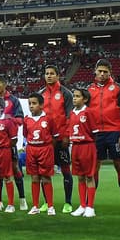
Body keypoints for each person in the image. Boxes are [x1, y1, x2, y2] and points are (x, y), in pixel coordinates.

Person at [88, 60, 120, 214]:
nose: (102, 74)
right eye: (99, 71)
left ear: (110, 72)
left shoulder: (119, 89)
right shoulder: (89, 89)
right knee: (94, 168)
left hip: (114, 132)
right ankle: (90, 205)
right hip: (96, 133)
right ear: (95, 71)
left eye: (105, 72)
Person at [37, 64, 75, 213]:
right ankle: (47, 202)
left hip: (61, 140)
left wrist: (66, 136)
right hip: (46, 141)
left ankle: (68, 202)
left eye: (52, 73)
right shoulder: (41, 94)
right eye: (47, 73)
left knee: (66, 170)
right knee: (44, 172)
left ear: (58, 76)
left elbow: (69, 116)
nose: (49, 76)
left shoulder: (66, 94)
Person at [0, 78, 26, 209]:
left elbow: (20, 119)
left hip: (7, 140)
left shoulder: (13, 100)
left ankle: (21, 199)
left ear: (4, 85)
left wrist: (8, 121)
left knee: (14, 169)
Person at [22, 93, 56, 215]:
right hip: (31, 149)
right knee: (34, 178)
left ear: (41, 105)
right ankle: (35, 206)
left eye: (34, 103)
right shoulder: (27, 119)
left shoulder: (48, 118)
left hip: (45, 149)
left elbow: (54, 135)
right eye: (30, 103)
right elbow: (26, 134)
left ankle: (50, 206)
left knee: (46, 178)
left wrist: (47, 146)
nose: (31, 106)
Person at [67, 88, 97, 218]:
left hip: (87, 146)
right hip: (75, 147)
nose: (74, 98)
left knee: (89, 177)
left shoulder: (89, 112)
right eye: (74, 96)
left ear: (85, 99)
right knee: (79, 176)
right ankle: (82, 205)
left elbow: (94, 133)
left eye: (78, 96)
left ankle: (90, 206)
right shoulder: (72, 113)